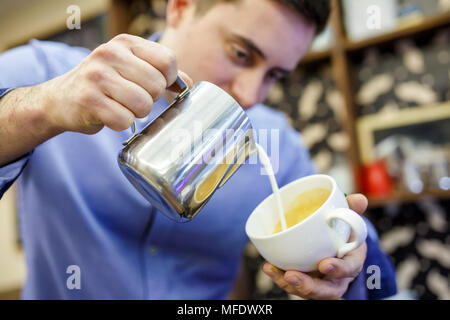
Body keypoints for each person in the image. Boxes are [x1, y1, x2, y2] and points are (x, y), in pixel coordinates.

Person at [0, 0, 397, 299]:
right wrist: (41, 108)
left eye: (274, 75)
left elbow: (375, 267)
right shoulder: (49, 73)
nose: (250, 95)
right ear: (180, 8)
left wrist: (349, 270)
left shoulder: (276, 145)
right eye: (241, 54)